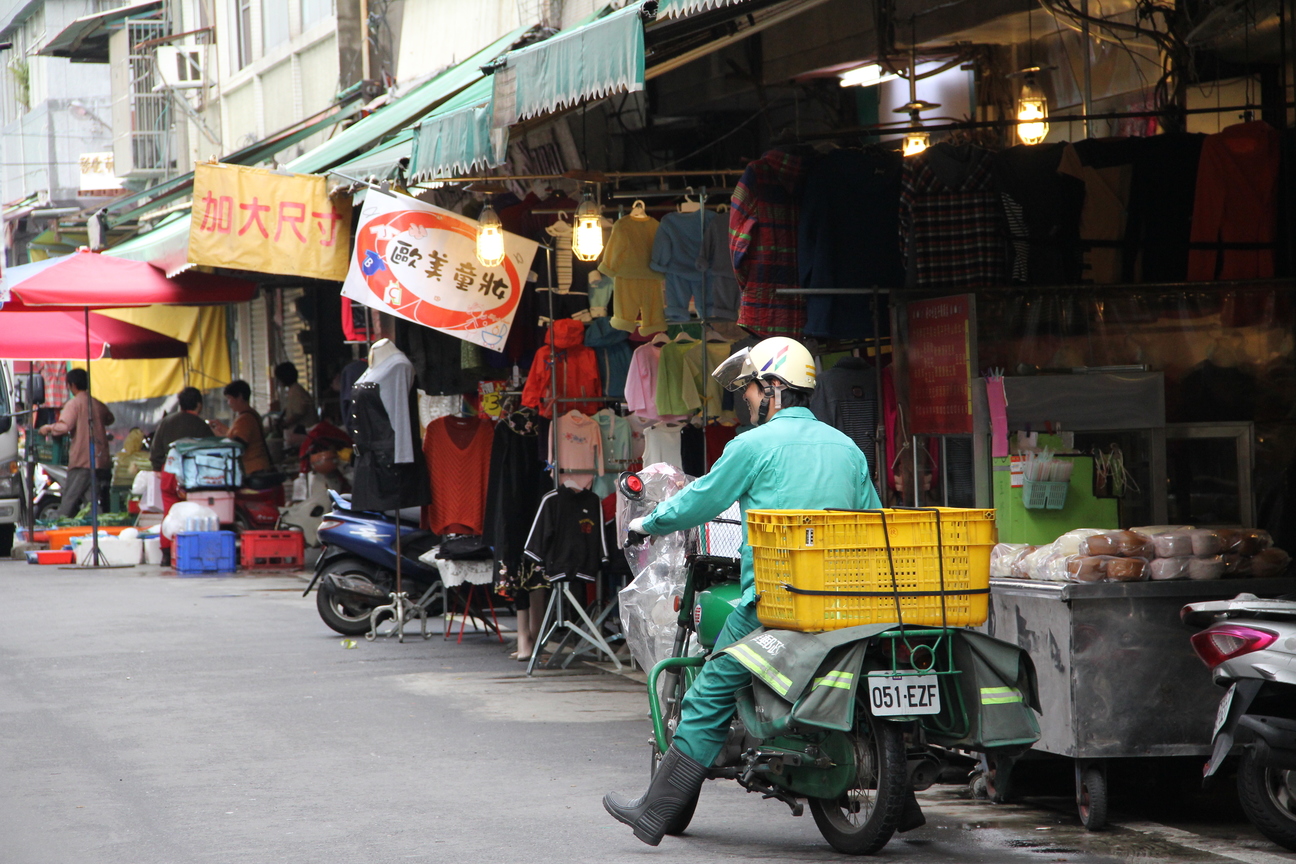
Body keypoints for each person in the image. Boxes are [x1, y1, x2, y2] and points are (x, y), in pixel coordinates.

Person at [603, 337, 883, 847]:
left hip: (773, 602)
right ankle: (896, 806)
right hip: (846, 597)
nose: (748, 399)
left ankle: (655, 812)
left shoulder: (752, 446)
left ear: (774, 387)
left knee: (710, 689)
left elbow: (701, 499)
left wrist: (648, 522)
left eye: (752, 388)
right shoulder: (846, 448)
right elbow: (873, 519)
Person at [38, 368, 115, 518]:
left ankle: (60, 523)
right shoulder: (96, 403)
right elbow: (110, 418)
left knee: (69, 500)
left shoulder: (73, 404)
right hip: (100, 460)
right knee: (91, 500)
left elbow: (64, 426)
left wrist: (48, 428)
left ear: (72, 385)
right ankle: (98, 524)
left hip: (82, 460)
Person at [207, 380, 272, 475]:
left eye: (229, 398)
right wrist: (224, 430)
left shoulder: (245, 419)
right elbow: (239, 436)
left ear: (240, 397)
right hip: (258, 467)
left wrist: (220, 437)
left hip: (253, 469)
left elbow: (237, 446)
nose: (228, 403)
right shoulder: (250, 414)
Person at [148, 387, 211, 472]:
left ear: (180, 404)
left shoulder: (166, 422)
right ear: (199, 405)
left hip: (168, 472)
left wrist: (158, 468)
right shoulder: (202, 425)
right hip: (194, 474)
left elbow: (155, 452)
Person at [274, 362, 317, 449]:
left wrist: (285, 424)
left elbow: (299, 412)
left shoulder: (296, 391)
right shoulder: (293, 390)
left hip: (304, 432)